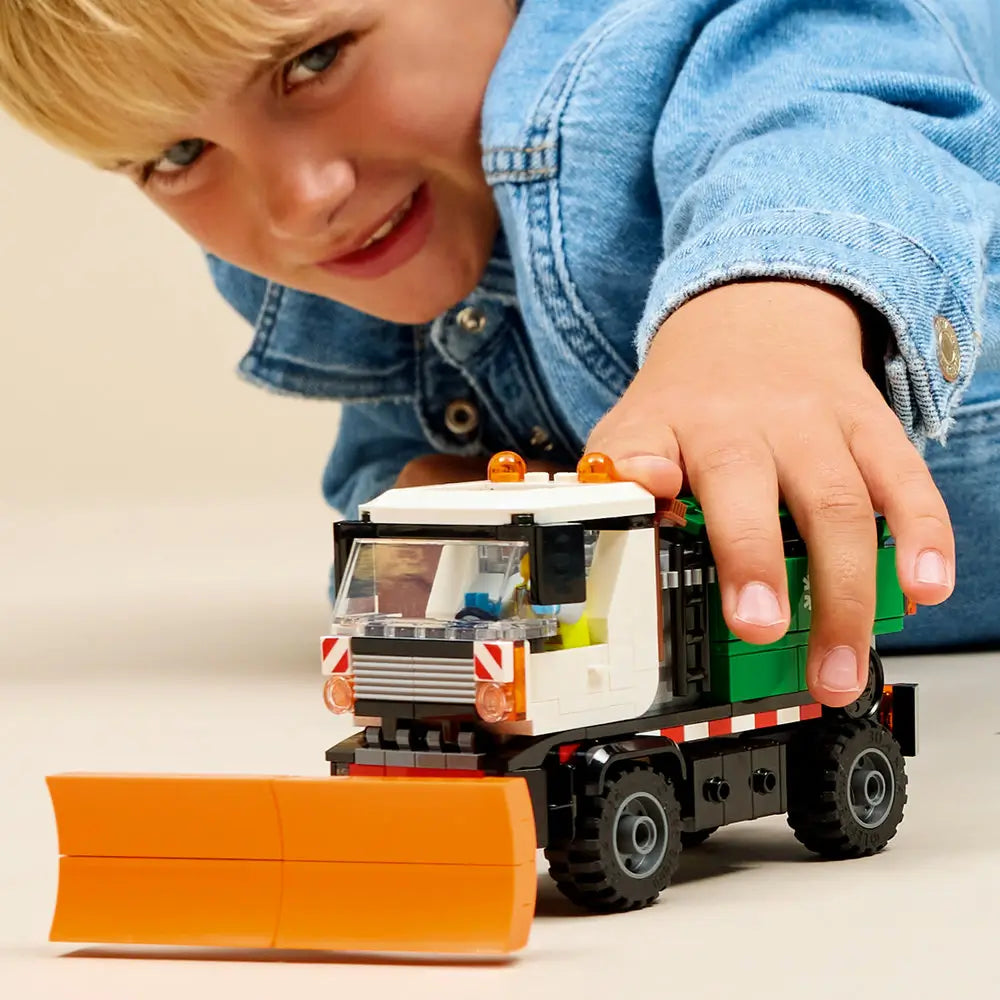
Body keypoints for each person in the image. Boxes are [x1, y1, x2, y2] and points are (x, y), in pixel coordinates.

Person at [1, 0, 998, 710]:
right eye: (177, 156)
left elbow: (834, 67)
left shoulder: (634, 49)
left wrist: (767, 306)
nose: (299, 196)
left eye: (315, 61)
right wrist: (444, 501)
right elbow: (406, 438)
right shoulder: (383, 257)